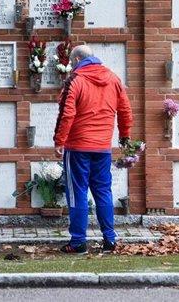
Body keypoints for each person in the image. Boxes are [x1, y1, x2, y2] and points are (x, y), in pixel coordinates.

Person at [53, 44, 133, 255]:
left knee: (77, 192)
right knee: (103, 191)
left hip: (77, 146)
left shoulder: (76, 80)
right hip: (103, 147)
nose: (71, 67)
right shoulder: (113, 78)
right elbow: (125, 110)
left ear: (77, 60)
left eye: (72, 63)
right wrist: (124, 136)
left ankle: (78, 242)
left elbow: (66, 113)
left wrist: (59, 141)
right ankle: (110, 239)